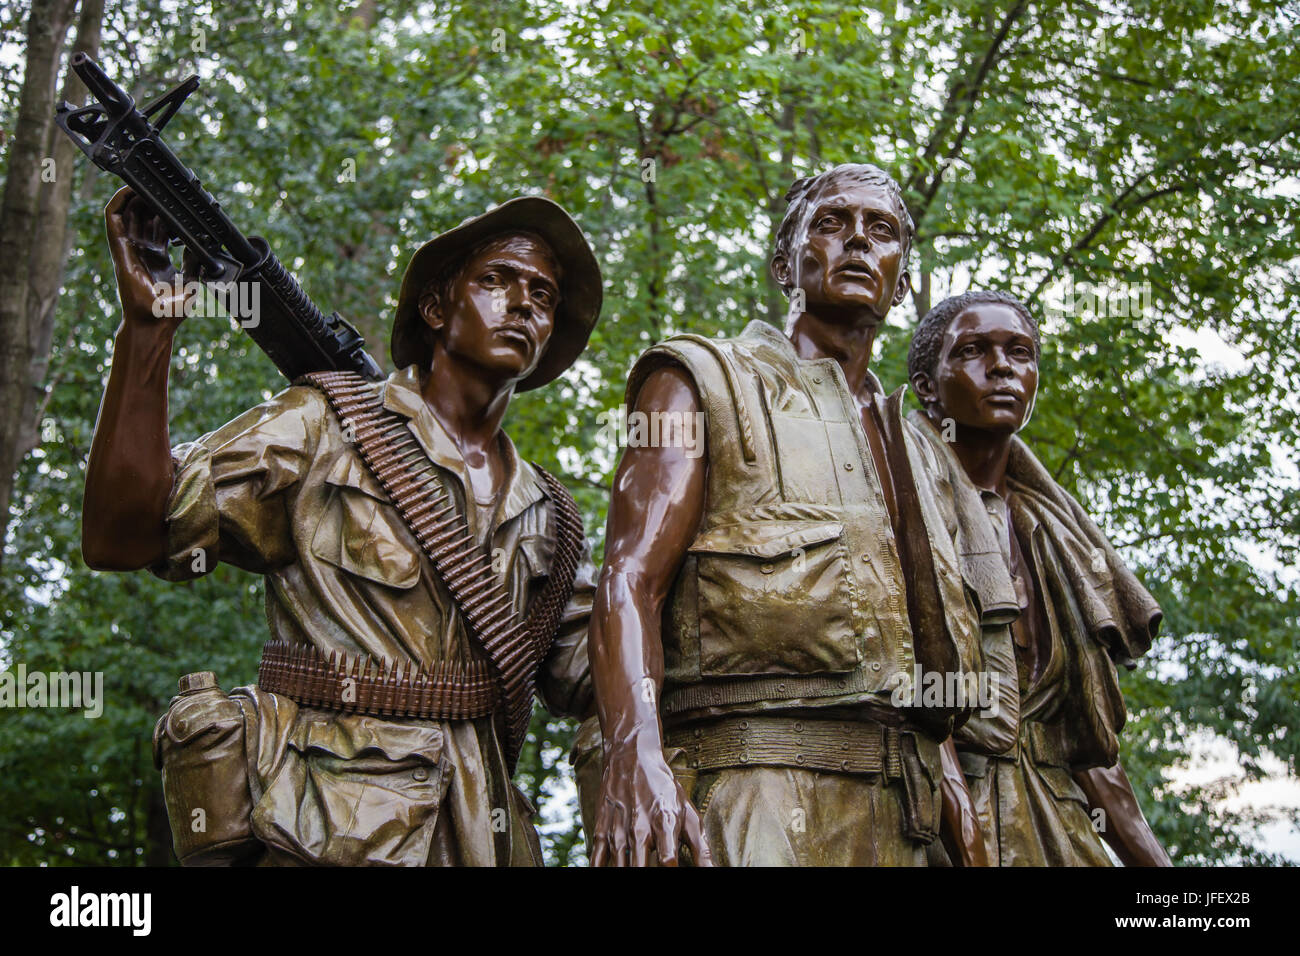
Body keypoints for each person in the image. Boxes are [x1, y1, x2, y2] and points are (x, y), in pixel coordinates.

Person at [82, 186, 602, 866]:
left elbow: (603, 673)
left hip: (486, 837)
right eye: (496, 280)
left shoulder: (549, 516)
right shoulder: (323, 428)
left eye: (542, 294)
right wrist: (148, 332)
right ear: (437, 308)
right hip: (330, 831)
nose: (523, 304)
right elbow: (122, 536)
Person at [581, 163, 1017, 866]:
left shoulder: (923, 450)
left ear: (903, 279)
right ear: (785, 262)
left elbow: (913, 653)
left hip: (902, 811)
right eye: (830, 223)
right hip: (753, 793)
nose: (856, 242)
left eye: (880, 231)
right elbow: (628, 581)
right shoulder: (697, 381)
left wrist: (958, 814)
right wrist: (635, 753)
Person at [907, 289, 1171, 866]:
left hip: (1054, 819)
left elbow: (1086, 742)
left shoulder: (1052, 533)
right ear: (927, 386)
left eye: (1020, 353)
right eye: (974, 350)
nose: (1002, 366)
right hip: (928, 815)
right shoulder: (891, 493)